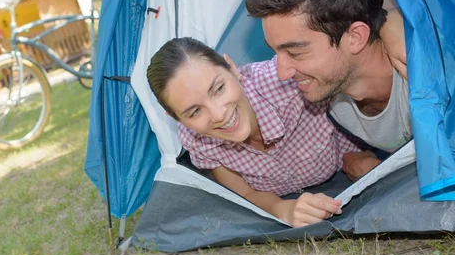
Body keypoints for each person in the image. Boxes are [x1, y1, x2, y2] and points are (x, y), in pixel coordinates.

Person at [147, 37, 365, 228]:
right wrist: (284, 209)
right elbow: (246, 193)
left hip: (345, 158)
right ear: (176, 118)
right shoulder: (196, 140)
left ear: (233, 69)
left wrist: (357, 158)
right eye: (194, 111)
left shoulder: (285, 81)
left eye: (219, 88)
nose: (218, 114)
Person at [245, 0, 410, 182]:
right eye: (276, 51)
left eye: (295, 51)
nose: (282, 73)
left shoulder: (424, 78)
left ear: (355, 37)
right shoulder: (330, 96)